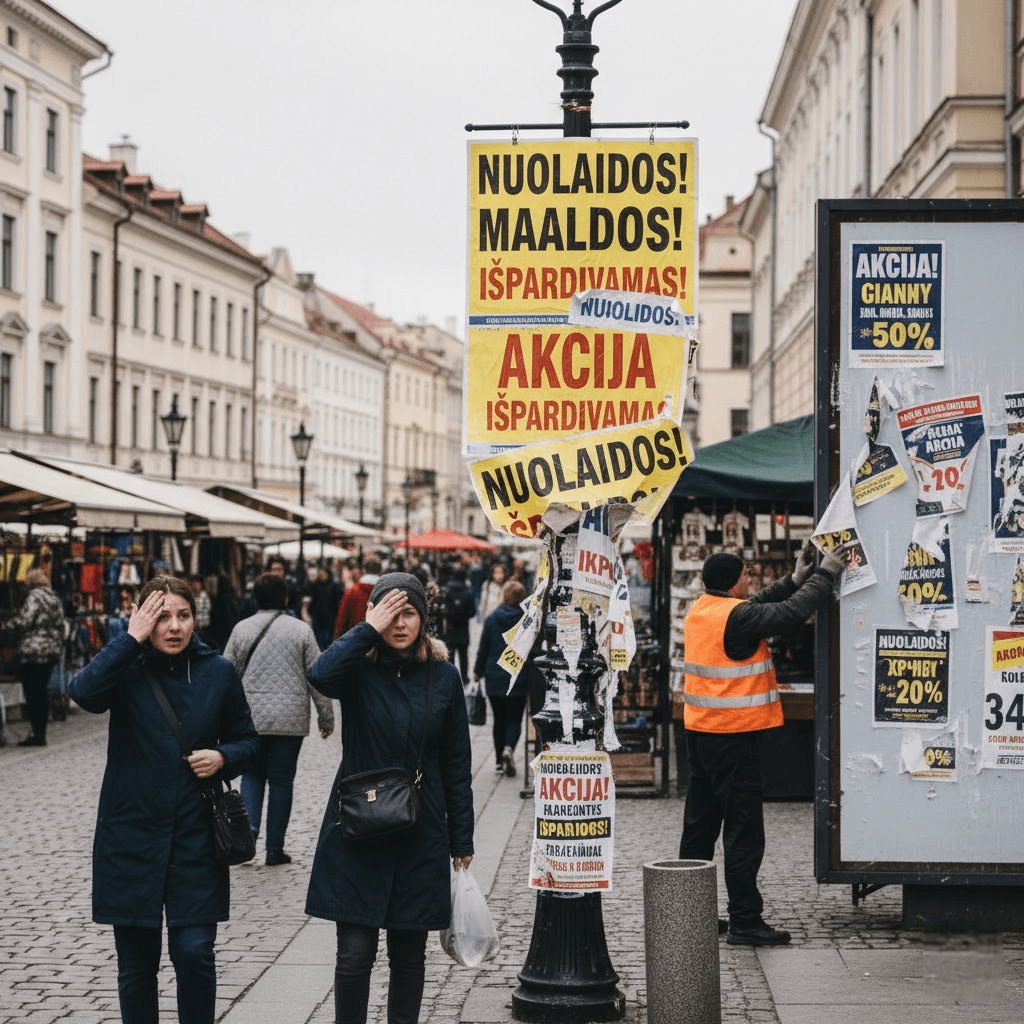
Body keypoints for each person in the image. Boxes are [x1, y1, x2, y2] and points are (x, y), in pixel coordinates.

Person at [69, 575, 259, 1024]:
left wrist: (223, 756)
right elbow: (82, 693)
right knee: (136, 967)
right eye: (161, 617)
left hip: (196, 836)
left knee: (194, 953)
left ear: (195, 618)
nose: (174, 626)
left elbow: (249, 741)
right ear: (143, 620)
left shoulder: (218, 671)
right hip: (130, 834)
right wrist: (128, 640)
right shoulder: (127, 669)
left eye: (183, 615)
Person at [305, 572, 474, 1024]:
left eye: (409, 613)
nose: (400, 624)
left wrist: (462, 840)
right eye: (389, 613)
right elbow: (318, 675)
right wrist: (366, 630)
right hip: (358, 827)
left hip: (421, 830)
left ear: (423, 618)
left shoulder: (444, 677)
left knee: (409, 956)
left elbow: (457, 764)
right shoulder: (358, 668)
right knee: (355, 955)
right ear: (375, 616)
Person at [678, 543, 846, 947]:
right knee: (743, 832)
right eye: (746, 575)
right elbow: (788, 614)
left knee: (700, 828)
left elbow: (757, 605)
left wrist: (793, 579)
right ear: (735, 580)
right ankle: (746, 922)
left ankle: (687, 912)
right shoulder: (735, 615)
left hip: (701, 734)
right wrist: (827, 573)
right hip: (733, 738)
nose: (749, 581)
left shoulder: (704, 609)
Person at [223, 572, 335, 866]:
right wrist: (326, 716)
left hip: (250, 719)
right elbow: (317, 675)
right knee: (282, 781)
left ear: (255, 598)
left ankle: (247, 836)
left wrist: (220, 719)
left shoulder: (241, 630)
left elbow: (225, 677)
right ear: (285, 598)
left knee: (252, 774)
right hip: (290, 718)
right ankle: (275, 848)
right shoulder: (301, 631)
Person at [4, 568, 67, 747]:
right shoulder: (54, 598)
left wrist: (6, 626)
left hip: (34, 651)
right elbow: (62, 625)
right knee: (41, 692)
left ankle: (36, 734)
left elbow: (25, 620)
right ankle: (40, 732)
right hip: (51, 650)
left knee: (33, 693)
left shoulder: (35, 597)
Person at [474, 580, 528, 777]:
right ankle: (509, 748)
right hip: (518, 676)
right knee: (514, 719)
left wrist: (477, 671)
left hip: (495, 676)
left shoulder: (492, 618)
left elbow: (484, 646)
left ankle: (498, 762)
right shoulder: (527, 620)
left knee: (498, 720)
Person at [441, 564, 476, 683]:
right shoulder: (468, 592)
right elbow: (472, 612)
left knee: (450, 655)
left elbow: (443, 608)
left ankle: (451, 678)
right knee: (463, 656)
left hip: (450, 628)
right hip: (463, 628)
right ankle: (465, 678)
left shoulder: (447, 590)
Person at [334, 555, 380, 639]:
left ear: (363, 570)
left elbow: (342, 620)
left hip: (355, 640)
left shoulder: (352, 591)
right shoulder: (386, 591)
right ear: (380, 571)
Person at [308, 567, 342, 651]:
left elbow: (336, 601)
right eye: (321, 574)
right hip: (318, 617)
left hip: (329, 617)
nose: (322, 576)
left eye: (324, 574)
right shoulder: (315, 585)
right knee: (318, 638)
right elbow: (313, 600)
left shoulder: (334, 586)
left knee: (328, 639)